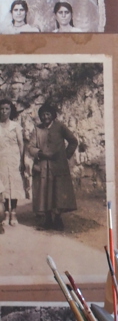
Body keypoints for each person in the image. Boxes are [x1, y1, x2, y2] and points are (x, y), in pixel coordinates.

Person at [28, 103, 78, 231]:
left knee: (58, 192)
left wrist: (65, 155)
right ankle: (48, 219)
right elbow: (30, 147)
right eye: (43, 114)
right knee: (44, 192)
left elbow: (73, 141)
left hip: (58, 166)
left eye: (48, 114)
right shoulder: (37, 129)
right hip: (43, 166)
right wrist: (39, 153)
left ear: (52, 115)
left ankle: (58, 218)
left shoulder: (60, 126)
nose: (45, 117)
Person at [0, 99, 26, 231]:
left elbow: (21, 144)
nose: (4, 111)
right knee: (3, 186)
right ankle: (5, 214)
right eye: (2, 109)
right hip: (1, 159)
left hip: (14, 158)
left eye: (6, 109)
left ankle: (13, 213)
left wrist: (21, 161)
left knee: (14, 185)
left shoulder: (15, 126)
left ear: (11, 110)